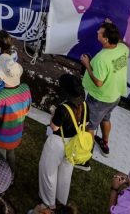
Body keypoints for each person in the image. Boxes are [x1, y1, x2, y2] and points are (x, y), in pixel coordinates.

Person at [79, 19, 129, 156]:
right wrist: (112, 27)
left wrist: (87, 64)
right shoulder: (123, 48)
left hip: (99, 99)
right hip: (114, 96)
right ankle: (105, 143)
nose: (97, 32)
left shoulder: (102, 59)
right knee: (106, 118)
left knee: (89, 126)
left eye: (100, 33)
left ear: (106, 40)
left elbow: (98, 83)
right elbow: (121, 41)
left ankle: (85, 154)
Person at [39, 75, 90, 207]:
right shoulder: (85, 105)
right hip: (74, 144)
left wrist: (53, 115)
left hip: (57, 143)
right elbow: (86, 123)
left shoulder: (63, 108)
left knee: (49, 173)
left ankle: (49, 204)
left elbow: (54, 127)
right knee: (65, 174)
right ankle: (61, 202)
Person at [0, 58, 30, 173]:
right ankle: (12, 174)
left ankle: (2, 180)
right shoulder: (25, 88)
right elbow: (26, 111)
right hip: (16, 135)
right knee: (10, 153)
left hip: (0, 138)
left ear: (3, 77)